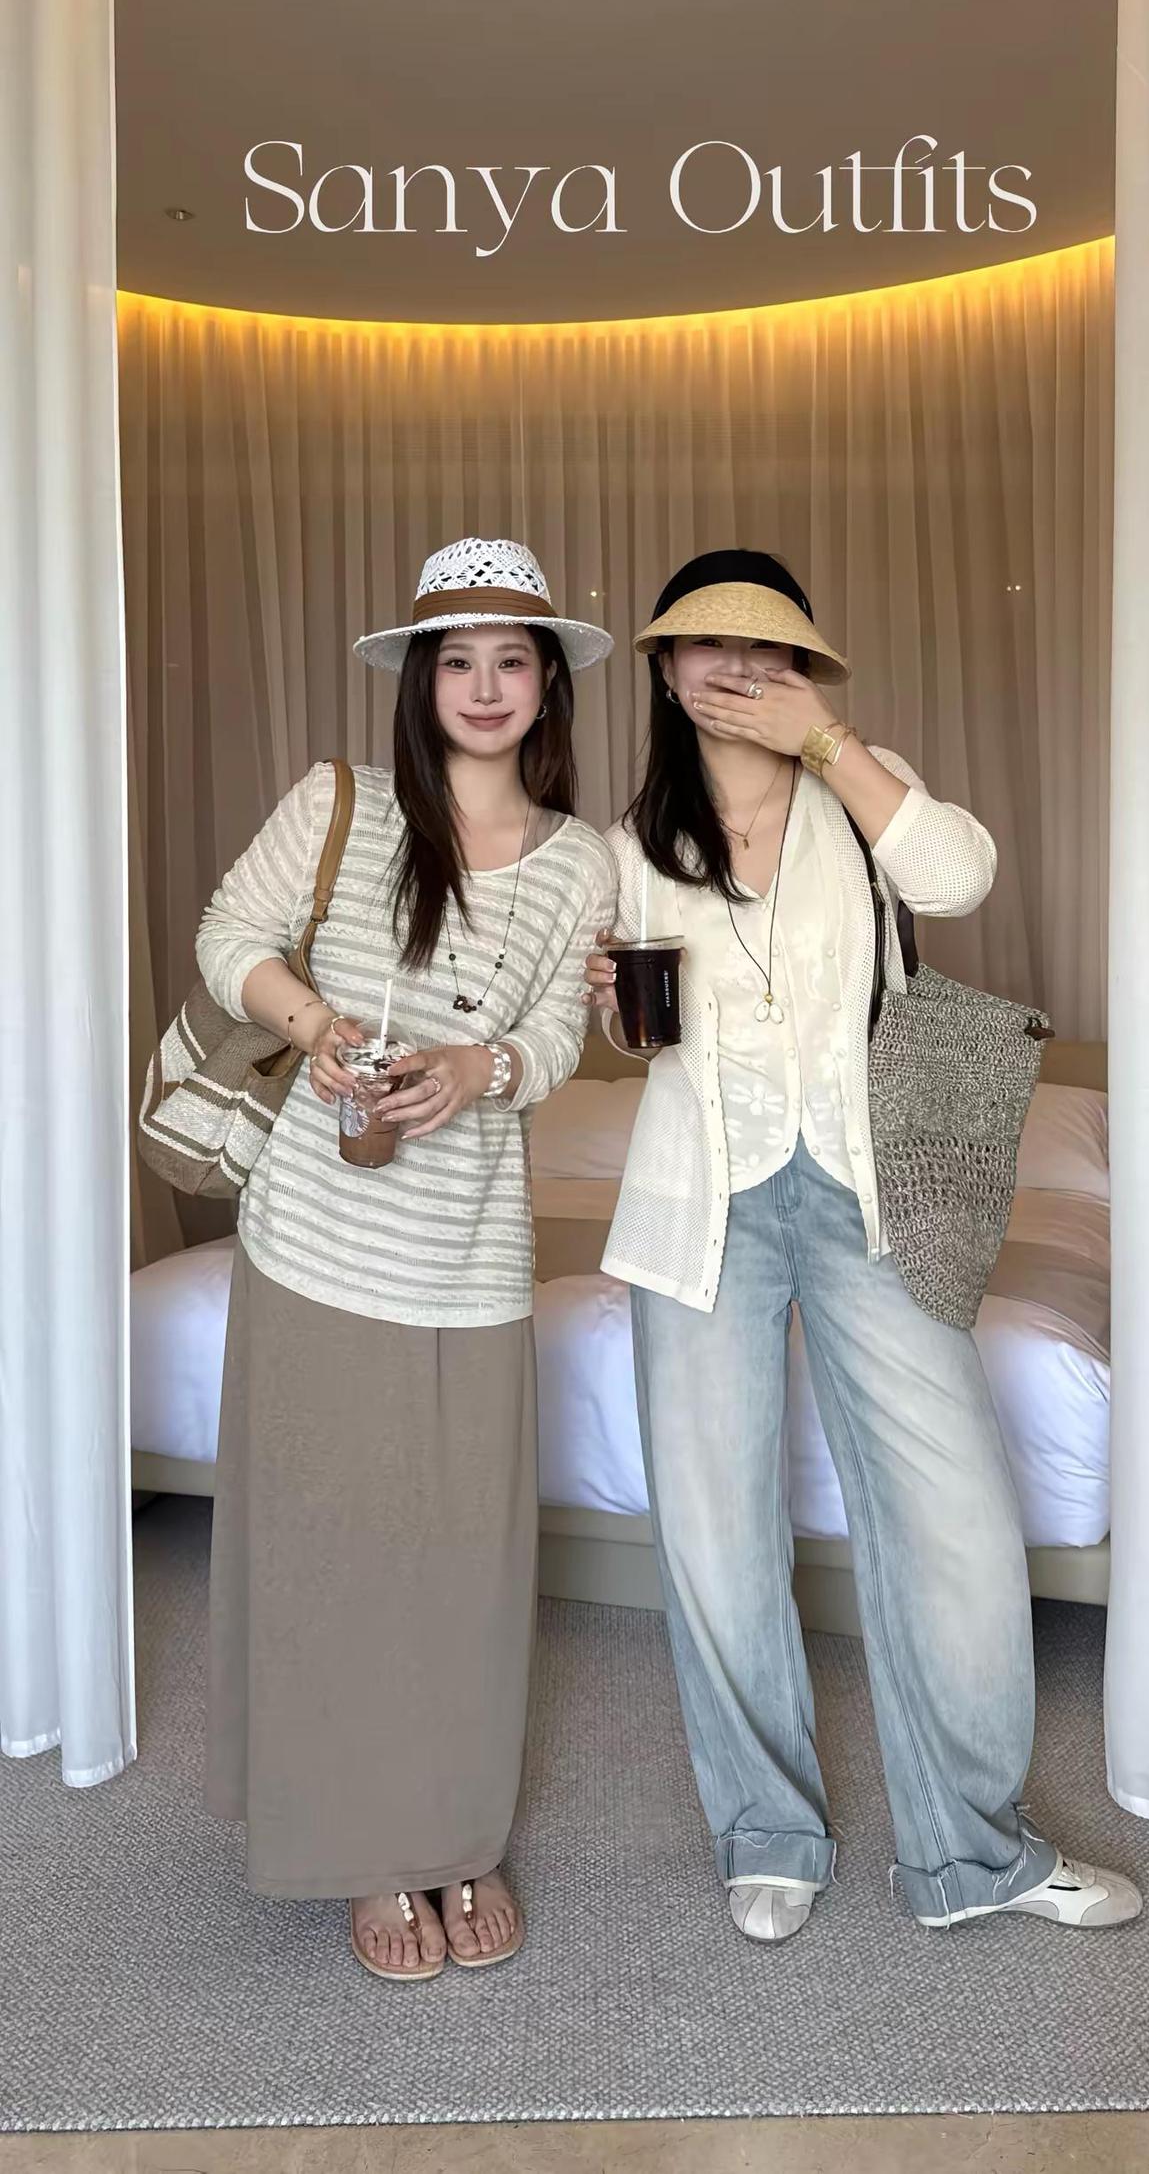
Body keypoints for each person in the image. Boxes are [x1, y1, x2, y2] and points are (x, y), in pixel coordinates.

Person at [585, 548, 1141, 1941]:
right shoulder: (624, 847)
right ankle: (765, 1831)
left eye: (765, 646)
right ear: (665, 670)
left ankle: (973, 1853)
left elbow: (961, 874)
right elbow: (628, 1029)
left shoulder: (859, 789)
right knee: (712, 1530)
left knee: (956, 1515)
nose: (734, 666)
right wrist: (611, 1004)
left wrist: (831, 744)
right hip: (698, 1206)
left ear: (803, 667)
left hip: (871, 1193)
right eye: (705, 645)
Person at [197, 536, 616, 1979]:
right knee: (331, 1558)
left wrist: (483, 1067)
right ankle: (368, 1853)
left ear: (547, 685)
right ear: (420, 681)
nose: (486, 686)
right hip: (314, 1241)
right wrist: (319, 1032)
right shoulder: (341, 804)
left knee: (461, 1571)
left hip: (472, 1256)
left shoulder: (583, 860)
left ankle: (455, 1834)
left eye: (513, 660)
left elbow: (558, 1032)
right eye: (459, 661)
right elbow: (231, 935)